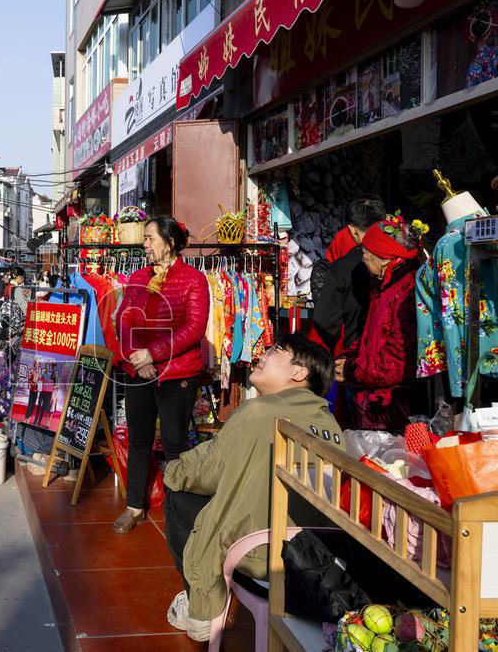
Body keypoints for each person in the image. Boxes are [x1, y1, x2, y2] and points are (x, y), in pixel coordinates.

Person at [163, 334, 341, 642]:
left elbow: (206, 473)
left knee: (179, 497)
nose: (261, 355)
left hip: (261, 554)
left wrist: (174, 470)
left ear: (299, 373)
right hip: (317, 559)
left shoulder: (258, 413)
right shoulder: (333, 427)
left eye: (275, 351)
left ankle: (200, 605)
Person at [113, 215, 208, 535]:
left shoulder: (194, 280)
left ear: (170, 243)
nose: (145, 244)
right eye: (145, 238)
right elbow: (123, 320)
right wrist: (140, 360)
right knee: (139, 440)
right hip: (138, 371)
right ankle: (134, 505)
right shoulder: (138, 277)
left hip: (177, 374)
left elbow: (194, 329)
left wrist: (153, 354)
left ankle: (181, 509)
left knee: (174, 443)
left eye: (151, 238)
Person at [335, 215, 426, 433]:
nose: (363, 259)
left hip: (391, 410)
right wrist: (347, 357)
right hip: (374, 405)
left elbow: (398, 362)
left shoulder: (407, 292)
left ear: (385, 258)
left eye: (365, 254)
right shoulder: (386, 286)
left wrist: (352, 369)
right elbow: (372, 337)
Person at [312, 198, 387, 351]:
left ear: (352, 229)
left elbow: (326, 321)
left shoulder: (342, 267)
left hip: (357, 350)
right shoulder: (400, 259)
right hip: (395, 352)